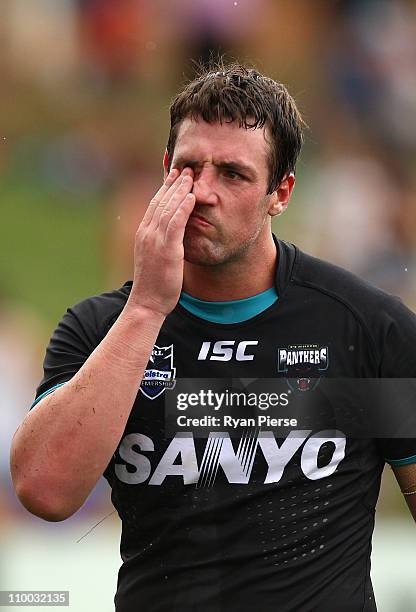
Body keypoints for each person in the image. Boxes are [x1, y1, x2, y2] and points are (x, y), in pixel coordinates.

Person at [10, 61, 416, 612]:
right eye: (187, 168)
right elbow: (45, 492)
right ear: (163, 170)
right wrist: (148, 307)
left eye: (233, 174)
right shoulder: (100, 329)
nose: (202, 192)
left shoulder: (366, 328)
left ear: (282, 192)